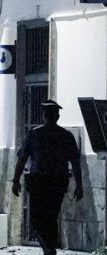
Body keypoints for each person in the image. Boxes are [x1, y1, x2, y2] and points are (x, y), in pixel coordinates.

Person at [11, 99, 83, 255]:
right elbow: (75, 163)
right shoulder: (67, 136)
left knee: (35, 219)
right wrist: (79, 185)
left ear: (43, 115)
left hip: (39, 183)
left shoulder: (34, 134)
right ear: (57, 117)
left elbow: (22, 159)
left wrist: (16, 180)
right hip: (58, 183)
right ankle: (49, 248)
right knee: (51, 217)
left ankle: (48, 249)